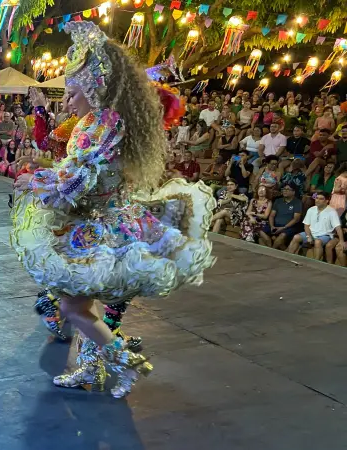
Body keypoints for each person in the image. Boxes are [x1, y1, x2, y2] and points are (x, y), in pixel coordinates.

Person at [11, 22, 215, 398]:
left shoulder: (102, 124)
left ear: (93, 89)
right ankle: (92, 369)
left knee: (74, 307)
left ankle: (126, 362)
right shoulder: (98, 120)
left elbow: (78, 180)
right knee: (84, 306)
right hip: (111, 225)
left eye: (73, 94)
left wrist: (34, 181)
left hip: (105, 229)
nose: (68, 103)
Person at [286, 191, 344, 262]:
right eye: (316, 198)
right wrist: (308, 236)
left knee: (317, 242)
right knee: (296, 237)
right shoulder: (311, 209)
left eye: (321, 199)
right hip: (311, 233)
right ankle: (288, 258)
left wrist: (341, 241)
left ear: (327, 201)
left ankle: (315, 262)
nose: (317, 200)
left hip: (325, 235)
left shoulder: (332, 212)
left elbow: (338, 227)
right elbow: (306, 225)